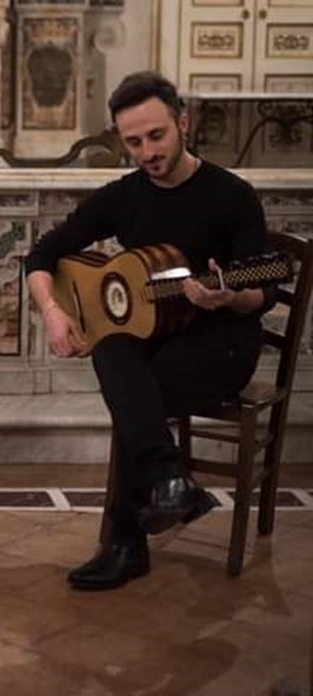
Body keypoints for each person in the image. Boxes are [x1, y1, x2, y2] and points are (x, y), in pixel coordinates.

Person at [25, 71, 274, 591]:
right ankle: (169, 481)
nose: (147, 151)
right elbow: (43, 254)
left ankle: (126, 540)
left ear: (182, 122)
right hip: (156, 339)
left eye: (156, 135)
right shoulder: (125, 196)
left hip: (221, 345)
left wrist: (230, 294)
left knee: (132, 388)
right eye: (133, 141)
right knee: (116, 354)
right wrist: (52, 309)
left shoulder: (232, 196)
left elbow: (263, 290)